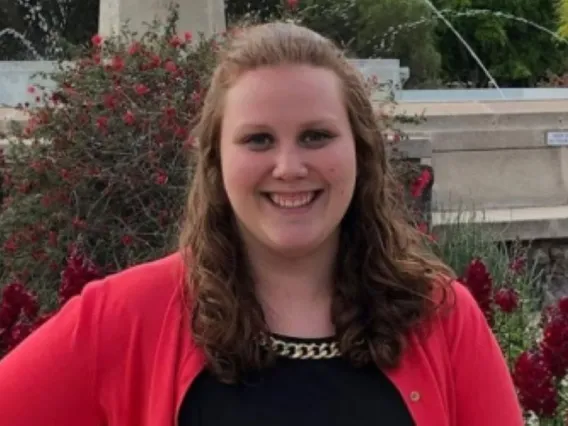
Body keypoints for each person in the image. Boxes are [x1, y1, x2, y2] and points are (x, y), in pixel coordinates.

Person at [0, 22, 523, 426]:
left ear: (360, 151)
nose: (289, 167)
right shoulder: (126, 316)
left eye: (316, 136)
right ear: (215, 161)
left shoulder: (442, 319)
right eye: (258, 140)